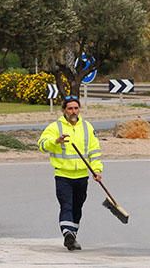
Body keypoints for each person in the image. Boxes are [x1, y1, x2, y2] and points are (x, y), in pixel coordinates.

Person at [37, 96, 102, 251]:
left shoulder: (87, 127)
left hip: (82, 176)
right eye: (70, 108)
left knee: (77, 207)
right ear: (64, 110)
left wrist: (97, 170)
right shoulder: (55, 127)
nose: (73, 111)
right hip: (63, 175)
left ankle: (72, 235)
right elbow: (42, 145)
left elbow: (94, 151)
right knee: (66, 205)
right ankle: (67, 234)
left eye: (76, 108)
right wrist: (55, 141)